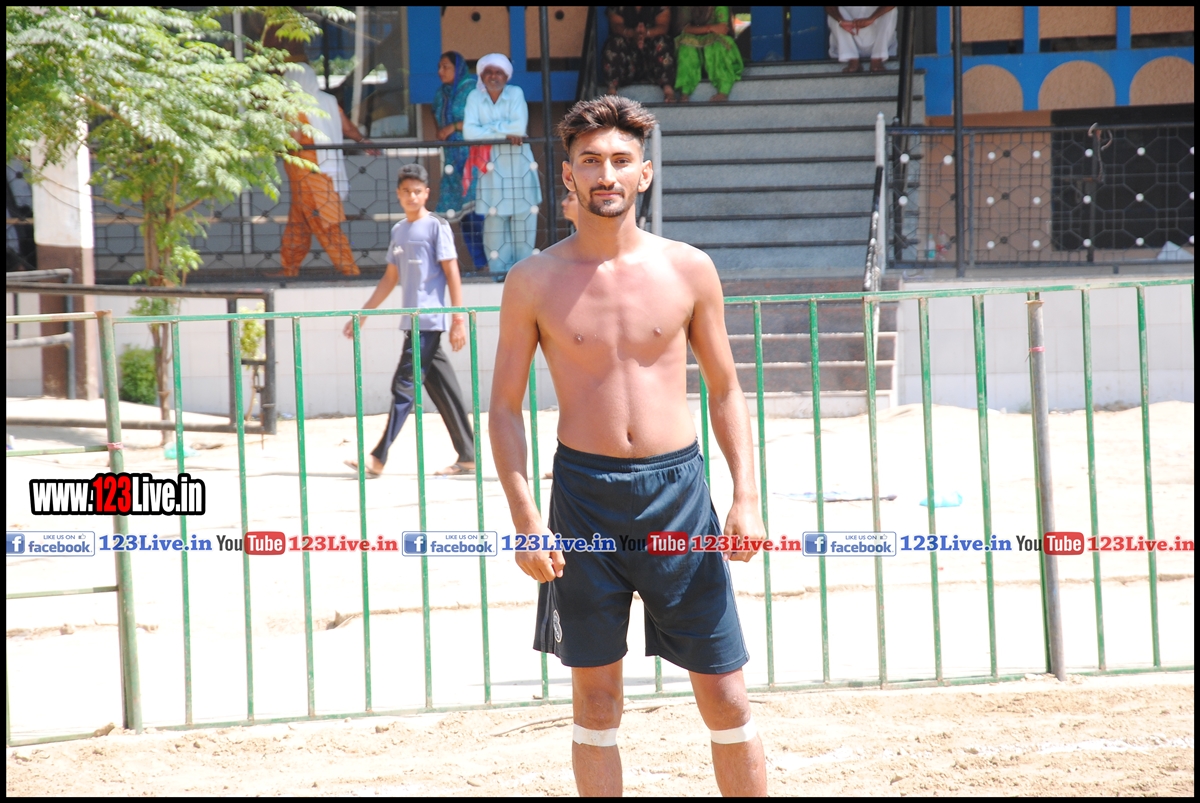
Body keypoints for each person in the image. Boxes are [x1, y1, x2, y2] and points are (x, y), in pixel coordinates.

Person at [489, 96, 767, 797]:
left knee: (727, 696)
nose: (605, 173)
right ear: (568, 175)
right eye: (590, 160)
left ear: (644, 173)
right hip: (583, 500)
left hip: (680, 499)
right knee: (596, 703)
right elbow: (504, 408)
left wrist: (747, 496)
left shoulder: (689, 269)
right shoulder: (532, 281)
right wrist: (526, 520)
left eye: (620, 160)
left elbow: (726, 388)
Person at [343, 163, 475, 477]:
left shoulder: (437, 226)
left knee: (403, 386)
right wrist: (364, 313)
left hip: (428, 322)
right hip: (411, 323)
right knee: (443, 388)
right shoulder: (399, 230)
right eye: (406, 191)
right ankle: (469, 455)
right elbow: (391, 278)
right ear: (398, 194)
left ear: (426, 193)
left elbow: (452, 272)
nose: (412, 196)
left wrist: (458, 319)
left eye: (417, 191)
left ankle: (378, 457)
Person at [268, 35, 370, 278]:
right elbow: (347, 128)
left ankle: (349, 269)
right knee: (299, 223)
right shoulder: (329, 101)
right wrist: (363, 141)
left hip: (308, 174)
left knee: (325, 222)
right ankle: (289, 267)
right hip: (324, 170)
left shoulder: (295, 106)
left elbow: (294, 139)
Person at [463, 53, 542, 277]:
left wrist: (488, 130)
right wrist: (504, 131)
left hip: (519, 170)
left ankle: (524, 280)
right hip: (491, 173)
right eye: (488, 72)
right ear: (481, 76)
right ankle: (499, 279)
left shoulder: (515, 93)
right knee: (494, 235)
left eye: (499, 72)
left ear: (507, 76)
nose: (493, 76)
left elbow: (519, 128)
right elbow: (469, 133)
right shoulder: (474, 97)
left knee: (523, 232)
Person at [432, 51, 489, 271]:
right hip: (451, 159)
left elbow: (482, 120)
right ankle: (480, 265)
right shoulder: (441, 94)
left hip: (472, 159)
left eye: (445, 66)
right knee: (463, 215)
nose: (440, 71)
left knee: (477, 211)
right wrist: (443, 132)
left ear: (458, 69)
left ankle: (491, 263)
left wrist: (453, 128)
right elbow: (436, 117)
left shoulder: (472, 89)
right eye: (439, 66)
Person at [602, 7, 677, 101]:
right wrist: (632, 33)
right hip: (628, 59)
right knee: (615, 43)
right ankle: (612, 90)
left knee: (662, 42)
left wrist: (646, 33)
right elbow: (616, 25)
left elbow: (663, 26)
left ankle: (668, 90)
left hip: (651, 59)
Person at [675, 6, 744, 102]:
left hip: (714, 43)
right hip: (696, 42)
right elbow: (684, 28)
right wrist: (710, 28)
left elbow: (722, 28)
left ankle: (723, 90)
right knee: (685, 46)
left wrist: (707, 30)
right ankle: (684, 92)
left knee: (718, 44)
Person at [824, 6, 897, 73]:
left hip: (877, 40)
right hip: (849, 34)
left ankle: (878, 58)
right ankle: (851, 58)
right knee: (835, 12)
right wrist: (841, 21)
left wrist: (871, 19)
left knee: (890, 10)